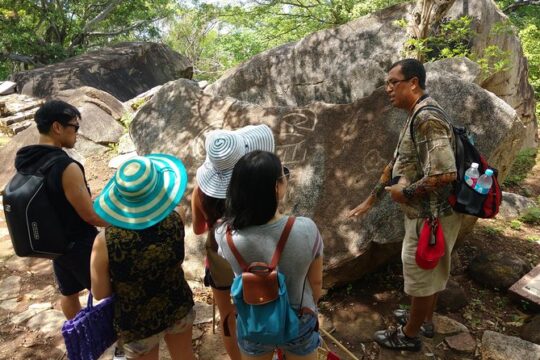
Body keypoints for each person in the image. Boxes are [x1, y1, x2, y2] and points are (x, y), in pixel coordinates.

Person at [348, 59, 463, 351]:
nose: (387, 89)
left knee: (422, 277)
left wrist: (406, 193)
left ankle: (409, 336)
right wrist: (372, 198)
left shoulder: (426, 118)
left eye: (392, 82)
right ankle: (422, 319)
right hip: (431, 214)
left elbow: (445, 173)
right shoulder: (416, 114)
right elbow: (397, 162)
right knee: (431, 273)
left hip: (431, 217)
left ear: (413, 83)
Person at [216, 150, 323, 360]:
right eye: (283, 173)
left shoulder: (224, 234)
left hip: (253, 319)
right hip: (298, 317)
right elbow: (316, 282)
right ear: (276, 187)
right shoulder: (305, 229)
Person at [90, 154, 195, 360]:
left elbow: (100, 292)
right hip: (177, 305)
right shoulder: (178, 216)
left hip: (136, 321)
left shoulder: (104, 241)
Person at [13, 100, 108, 320]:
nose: (77, 133)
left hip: (54, 244)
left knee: (69, 293)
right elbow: (90, 215)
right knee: (111, 293)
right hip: (80, 244)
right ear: (57, 127)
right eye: (74, 127)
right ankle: (121, 351)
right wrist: (124, 222)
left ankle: (79, 341)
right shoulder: (66, 166)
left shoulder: (26, 159)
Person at [192, 125, 275, 360]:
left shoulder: (200, 192)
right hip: (254, 255)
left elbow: (199, 228)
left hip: (219, 258)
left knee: (228, 316)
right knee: (260, 310)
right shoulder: (254, 188)